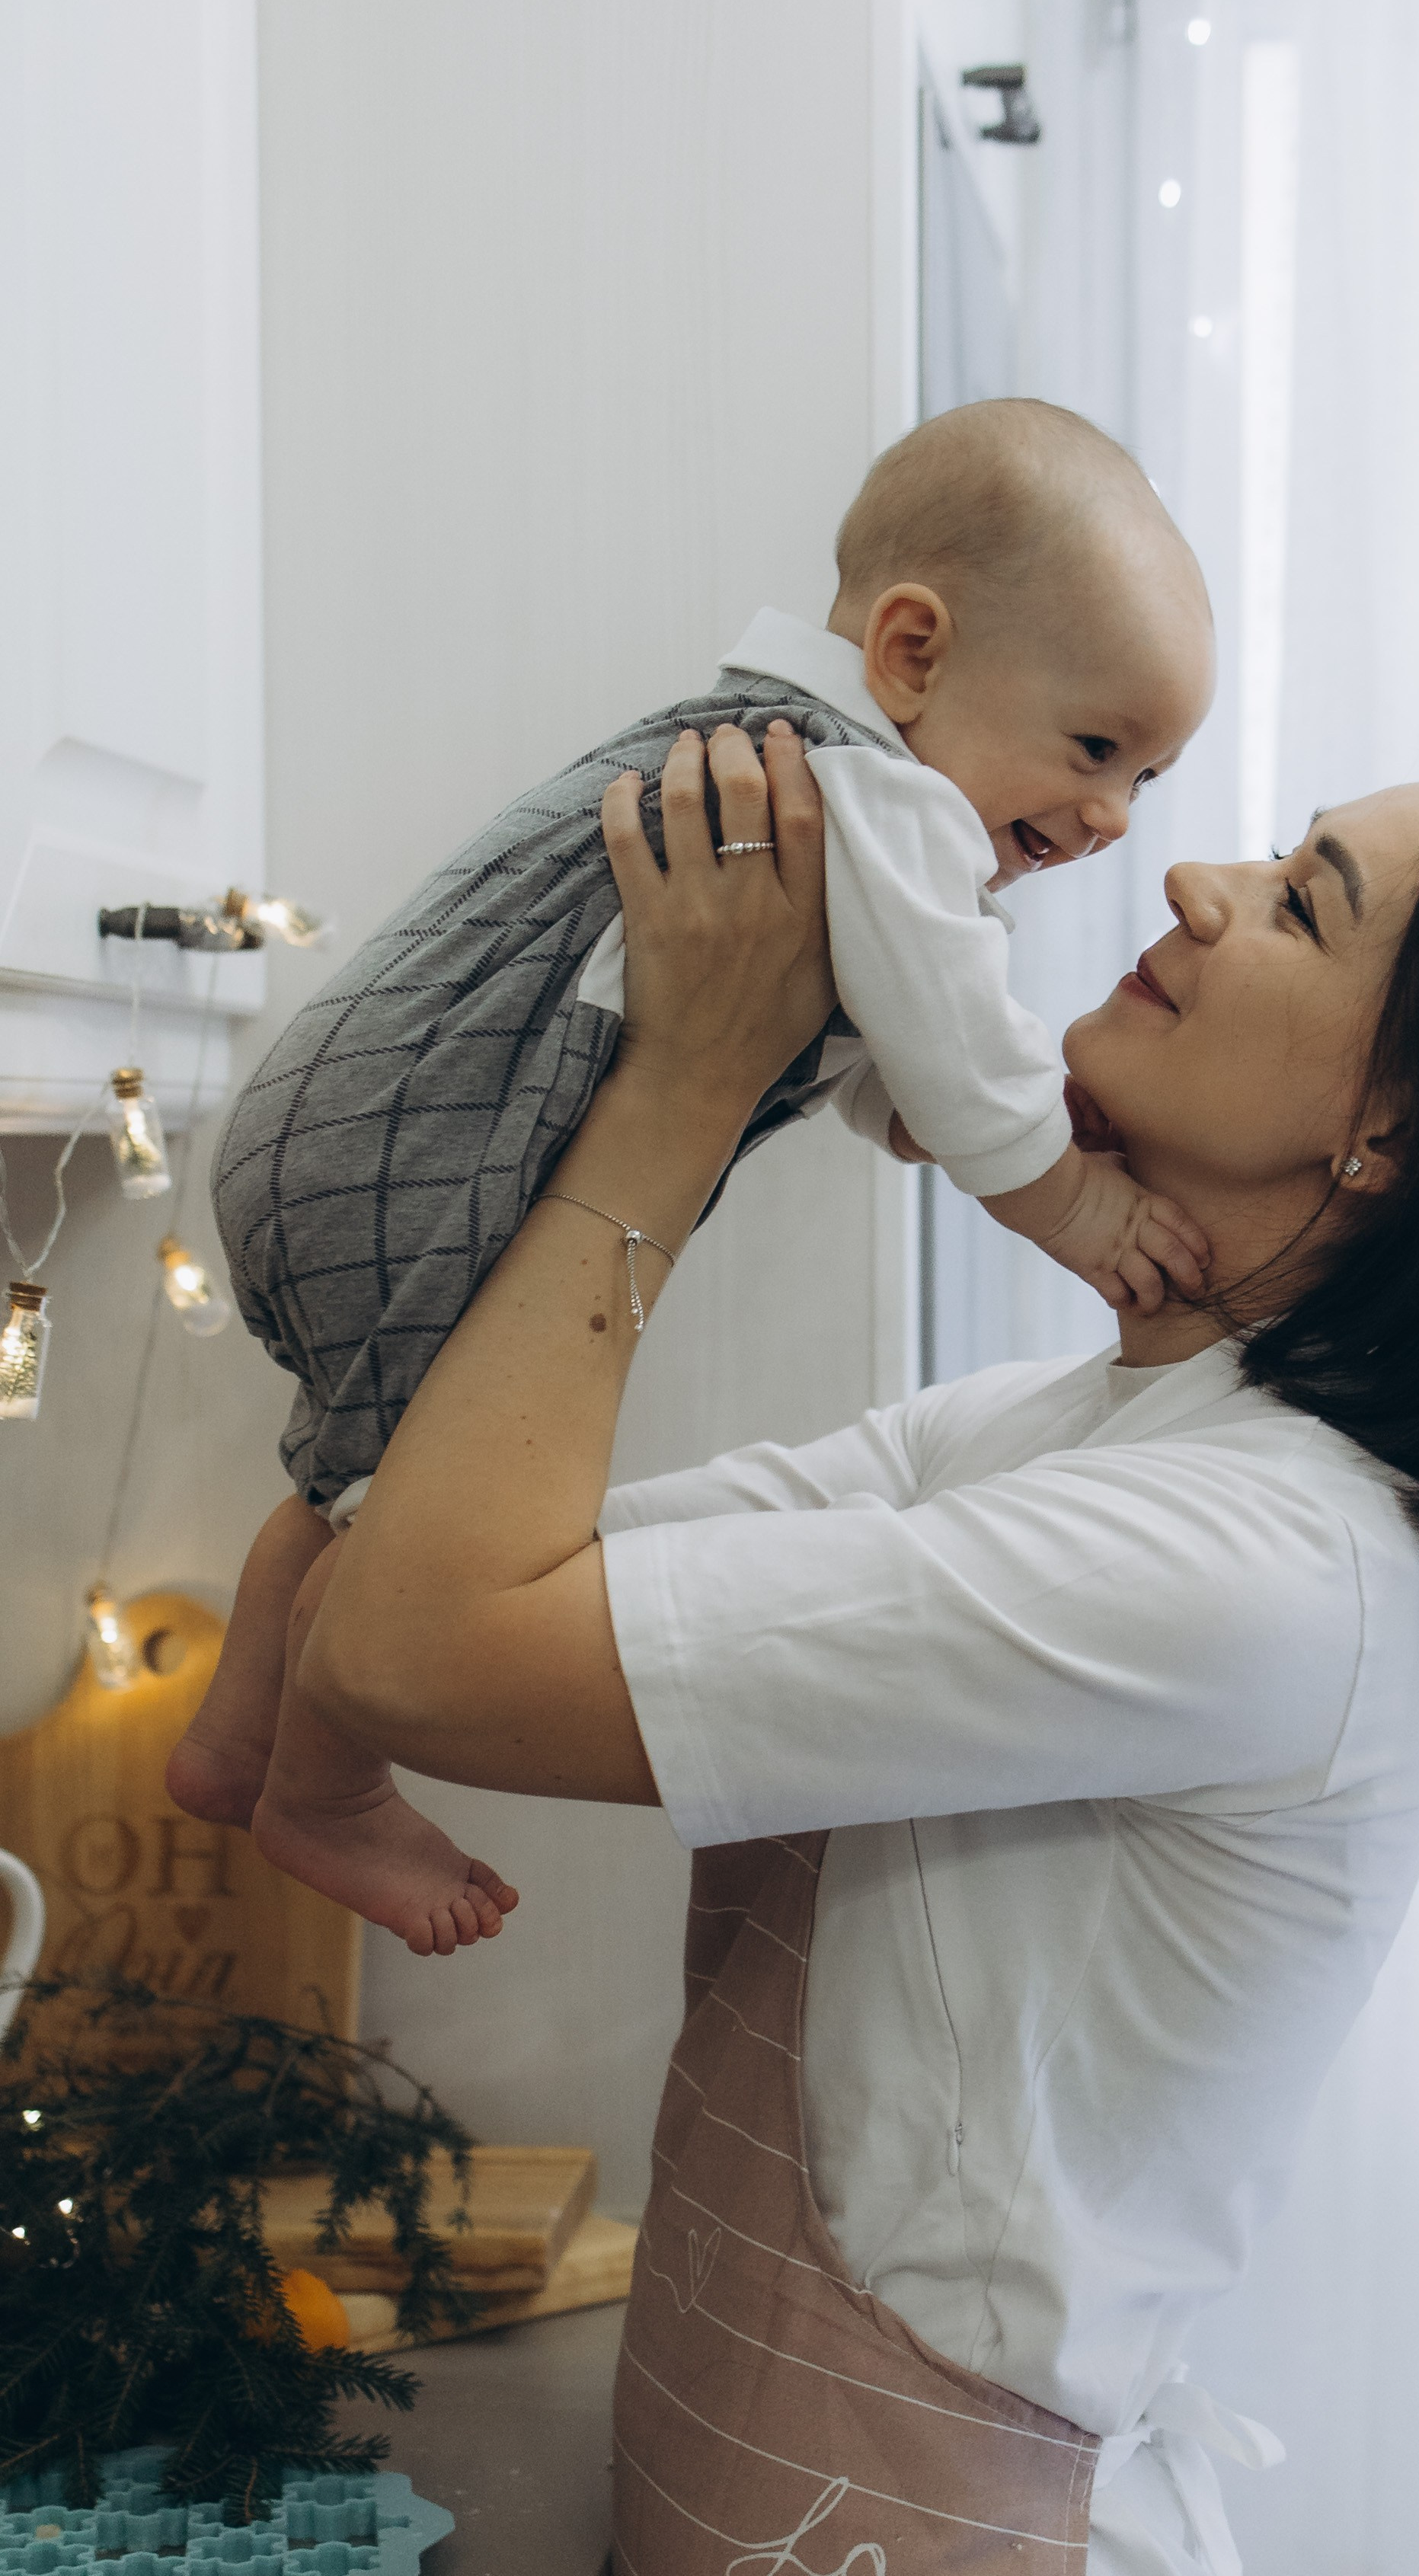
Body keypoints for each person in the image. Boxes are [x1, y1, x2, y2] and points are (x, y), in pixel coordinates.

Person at [283, 722, 1419, 2576]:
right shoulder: (1065, 1434)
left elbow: (409, 1652)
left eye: (1300, 904)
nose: (1192, 881)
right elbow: (442, 1579)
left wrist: (688, 1083)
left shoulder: (1260, 1564)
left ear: (1387, 1135)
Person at [169, 400, 1216, 1942]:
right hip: (424, 1154)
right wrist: (1073, 1201)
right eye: (1096, 748)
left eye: (1151, 776)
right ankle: (321, 1791)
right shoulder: (884, 794)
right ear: (915, 654)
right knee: (402, 1515)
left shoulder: (772, 750)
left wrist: (905, 1107)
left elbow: (873, 1028)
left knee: (352, 1471)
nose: (1116, 816)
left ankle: (239, 1733)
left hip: (332, 1137)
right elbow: (954, 1034)